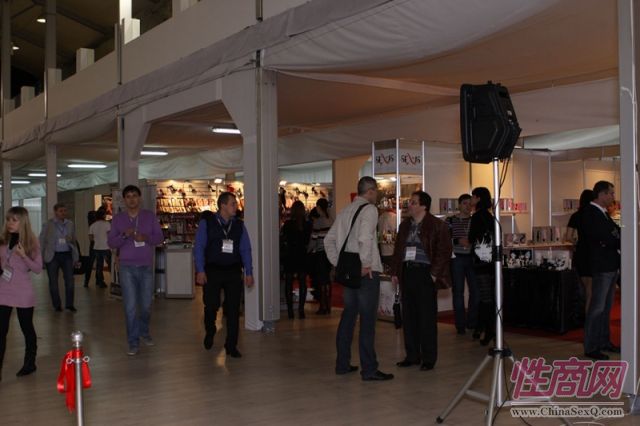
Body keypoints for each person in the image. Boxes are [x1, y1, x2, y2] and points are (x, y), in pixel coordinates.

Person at [324, 176, 393, 381]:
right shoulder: (370, 210)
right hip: (366, 273)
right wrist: (366, 264)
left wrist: (339, 263)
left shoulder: (345, 210)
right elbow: (365, 238)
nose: (377, 194)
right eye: (376, 191)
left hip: (350, 272)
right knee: (367, 321)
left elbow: (329, 240)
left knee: (348, 317)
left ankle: (342, 364)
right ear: (370, 191)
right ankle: (369, 369)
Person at [391, 191, 452, 371]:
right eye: (410, 202)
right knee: (409, 317)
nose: (409, 205)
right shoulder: (404, 225)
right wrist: (395, 271)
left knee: (426, 318)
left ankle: (428, 358)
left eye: (413, 202)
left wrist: (433, 274)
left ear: (424, 206)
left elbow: (444, 251)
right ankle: (412, 356)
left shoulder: (437, 225)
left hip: (425, 274)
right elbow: (398, 250)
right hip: (407, 272)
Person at [194, 192, 254, 358]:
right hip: (212, 270)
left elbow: (245, 249)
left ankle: (231, 345)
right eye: (233, 204)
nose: (236, 207)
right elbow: (199, 247)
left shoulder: (239, 225)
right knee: (211, 305)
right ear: (223, 206)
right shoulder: (207, 223)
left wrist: (249, 272)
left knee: (233, 309)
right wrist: (200, 270)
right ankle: (210, 330)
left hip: (233, 271)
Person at [107, 185, 164, 356]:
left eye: (134, 196)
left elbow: (159, 238)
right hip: (127, 268)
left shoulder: (149, 216)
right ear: (124, 200)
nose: (132, 199)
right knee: (130, 307)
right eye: (128, 196)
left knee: (146, 306)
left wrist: (145, 237)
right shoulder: (118, 219)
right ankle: (133, 341)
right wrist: (124, 235)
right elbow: (111, 242)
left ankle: (144, 331)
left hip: (145, 266)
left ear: (140, 198)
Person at [0, 207, 43, 381]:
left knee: (27, 328)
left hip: (23, 290)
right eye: (8, 219)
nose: (10, 223)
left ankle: (30, 363)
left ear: (23, 222)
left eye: (14, 220)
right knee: (1, 331)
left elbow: (38, 268)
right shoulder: (3, 240)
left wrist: (24, 255)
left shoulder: (32, 242)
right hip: (3, 289)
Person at [581, 181, 620, 360]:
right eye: (611, 193)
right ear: (602, 194)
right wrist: (615, 239)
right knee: (597, 308)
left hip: (610, 265)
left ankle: (603, 341)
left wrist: (616, 237)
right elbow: (604, 237)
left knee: (606, 308)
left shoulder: (603, 213)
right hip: (601, 266)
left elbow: (615, 232)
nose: (613, 197)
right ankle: (591, 346)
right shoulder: (590, 213)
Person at [446, 193, 478, 335]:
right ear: (459, 205)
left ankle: (472, 322)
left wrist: (473, 242)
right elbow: (444, 239)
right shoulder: (450, 220)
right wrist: (457, 241)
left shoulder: (475, 220)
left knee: (475, 291)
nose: (468, 206)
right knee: (458, 292)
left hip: (472, 258)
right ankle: (460, 325)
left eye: (470, 204)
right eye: (465, 203)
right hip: (456, 258)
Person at [468, 187, 495, 345]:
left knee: (485, 297)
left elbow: (472, 237)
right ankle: (484, 328)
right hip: (490, 260)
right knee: (488, 296)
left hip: (480, 260)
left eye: (473, 196)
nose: (471, 199)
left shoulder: (477, 217)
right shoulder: (490, 216)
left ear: (478, 198)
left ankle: (488, 329)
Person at [40, 203, 79, 312]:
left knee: (70, 280)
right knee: (53, 282)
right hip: (53, 255)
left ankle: (69, 304)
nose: (63, 213)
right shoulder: (48, 224)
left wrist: (75, 255)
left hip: (67, 255)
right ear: (55, 212)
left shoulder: (70, 224)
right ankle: (57, 305)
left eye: (65, 211)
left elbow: (74, 240)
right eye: (61, 211)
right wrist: (41, 256)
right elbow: (42, 240)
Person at [565, 190, 594, 314]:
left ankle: (583, 315)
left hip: (580, 252)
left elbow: (568, 236)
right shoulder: (594, 215)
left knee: (583, 286)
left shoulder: (576, 215)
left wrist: (576, 242)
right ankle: (589, 318)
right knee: (591, 289)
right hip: (593, 253)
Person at [281, 200, 311, 319]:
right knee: (302, 282)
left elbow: (284, 239)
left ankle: (290, 311)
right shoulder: (307, 224)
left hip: (290, 255)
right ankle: (301, 310)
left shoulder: (287, 224)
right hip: (302, 254)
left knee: (288, 283)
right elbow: (308, 241)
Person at [308, 198, 334, 315]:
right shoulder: (331, 220)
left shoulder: (318, 222)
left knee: (322, 280)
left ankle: (323, 306)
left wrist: (308, 250)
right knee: (328, 280)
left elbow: (314, 239)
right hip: (330, 253)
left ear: (319, 207)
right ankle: (328, 305)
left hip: (321, 253)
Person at [85, 208, 111, 288]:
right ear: (104, 215)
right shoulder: (107, 224)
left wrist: (97, 240)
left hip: (96, 247)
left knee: (99, 266)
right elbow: (110, 235)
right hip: (106, 247)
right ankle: (114, 279)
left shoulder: (93, 225)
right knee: (110, 264)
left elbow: (90, 238)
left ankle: (99, 282)